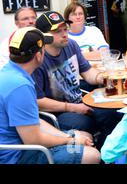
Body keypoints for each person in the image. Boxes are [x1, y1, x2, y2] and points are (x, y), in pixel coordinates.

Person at [0, 27, 100, 164]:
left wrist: (68, 136)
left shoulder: (9, 71)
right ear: (38, 56)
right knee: (92, 155)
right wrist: (70, 140)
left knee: (85, 136)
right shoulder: (20, 86)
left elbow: (32, 121)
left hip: (21, 144)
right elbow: (33, 140)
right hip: (18, 156)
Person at [32, 11, 122, 147]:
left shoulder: (71, 45)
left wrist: (104, 78)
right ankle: (100, 154)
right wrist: (73, 108)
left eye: (65, 29)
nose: (64, 34)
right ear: (44, 37)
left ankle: (108, 155)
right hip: (57, 113)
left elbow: (88, 73)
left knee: (113, 113)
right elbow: (39, 102)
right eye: (57, 31)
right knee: (88, 123)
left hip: (81, 101)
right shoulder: (38, 60)